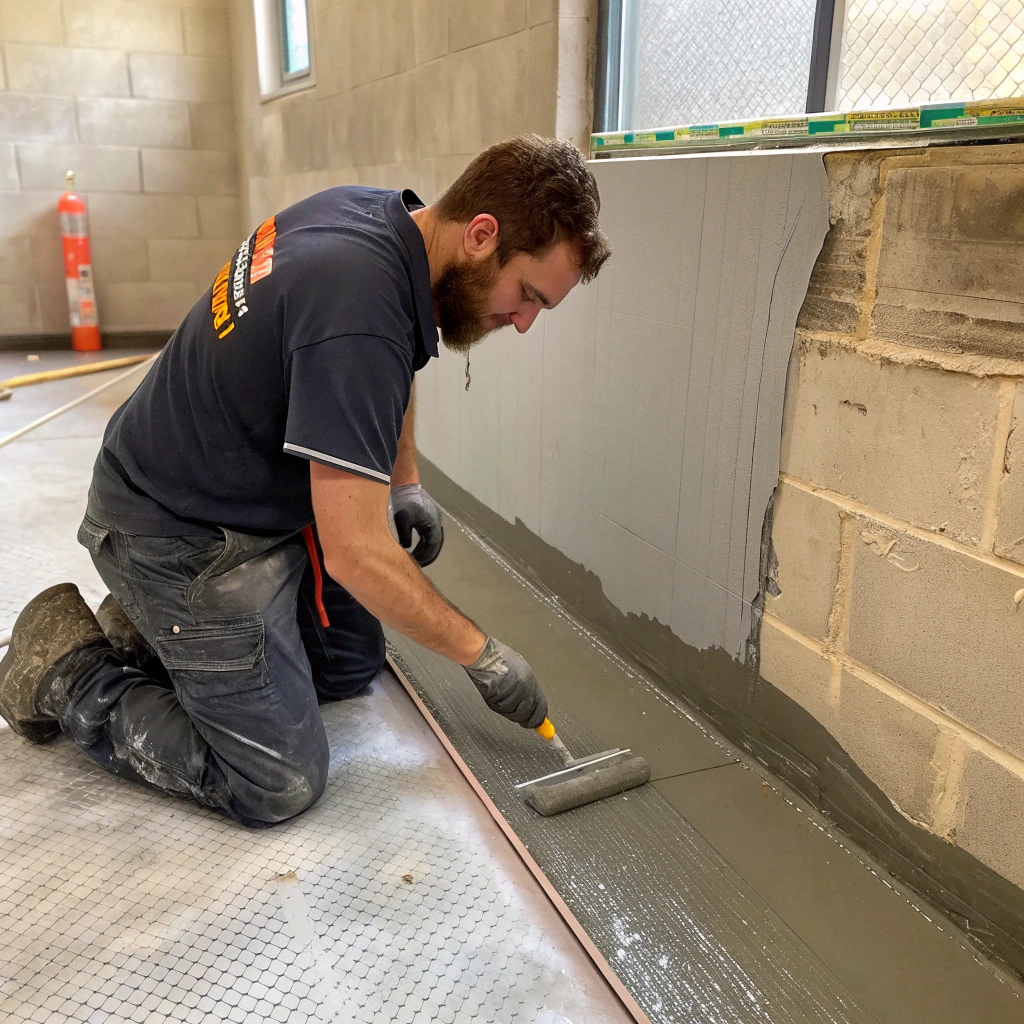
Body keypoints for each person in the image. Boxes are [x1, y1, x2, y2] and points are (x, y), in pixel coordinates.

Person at [0, 135, 611, 828]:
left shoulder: (383, 224)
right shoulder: (356, 311)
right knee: (277, 780)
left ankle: (150, 633)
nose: (525, 323)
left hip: (238, 494)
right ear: (480, 235)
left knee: (351, 664)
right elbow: (352, 550)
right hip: (174, 532)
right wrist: (484, 654)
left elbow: (401, 350)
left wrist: (404, 480)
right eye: (528, 296)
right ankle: (66, 666)